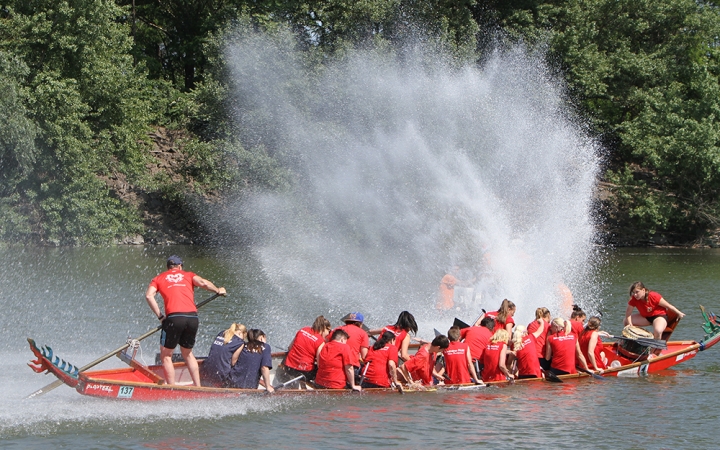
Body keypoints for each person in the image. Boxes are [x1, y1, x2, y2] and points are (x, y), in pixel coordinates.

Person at [144, 255, 226, 386]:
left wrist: (160, 316)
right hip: (192, 318)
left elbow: (149, 296)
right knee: (187, 353)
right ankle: (198, 386)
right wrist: (218, 290)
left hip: (174, 318)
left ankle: (172, 388)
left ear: (168, 267)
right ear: (180, 266)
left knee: (166, 355)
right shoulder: (188, 275)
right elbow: (204, 283)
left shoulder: (158, 278)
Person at [276, 315, 331, 385]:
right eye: (329, 330)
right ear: (324, 328)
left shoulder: (303, 330)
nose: (329, 333)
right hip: (304, 371)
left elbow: (290, 348)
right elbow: (320, 364)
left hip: (288, 367)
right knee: (321, 372)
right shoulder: (320, 341)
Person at [199, 322, 247, 387]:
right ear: (241, 333)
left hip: (206, 369)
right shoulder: (240, 342)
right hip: (221, 374)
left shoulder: (221, 333)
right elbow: (233, 362)